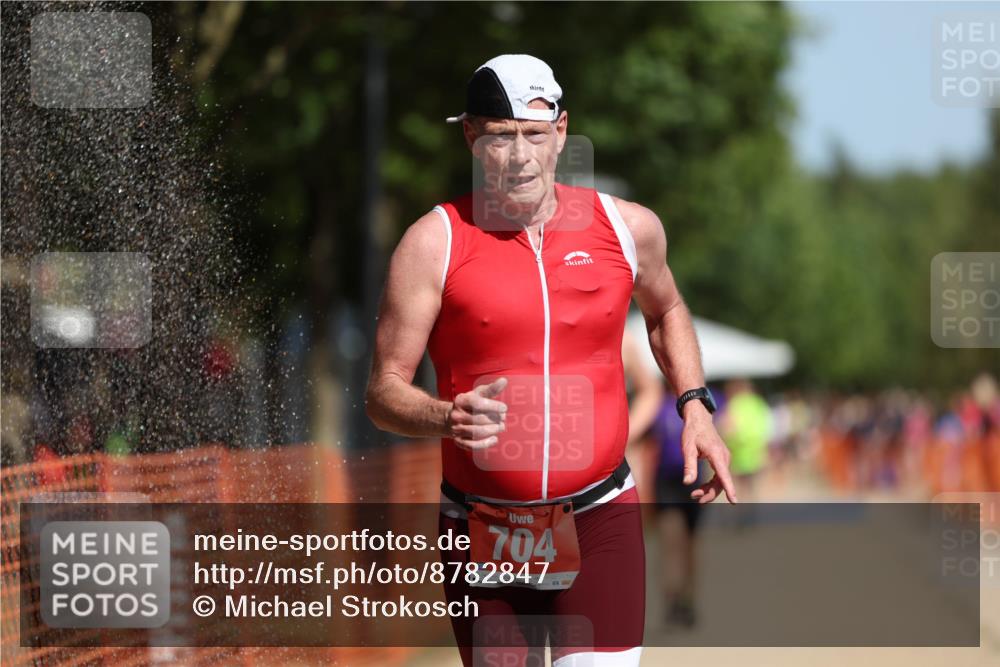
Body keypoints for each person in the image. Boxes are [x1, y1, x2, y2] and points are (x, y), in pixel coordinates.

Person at [366, 54, 736, 667]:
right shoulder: (434, 242)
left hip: (597, 516)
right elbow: (383, 393)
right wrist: (444, 416)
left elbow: (669, 311)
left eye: (534, 135)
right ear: (469, 136)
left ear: (561, 132)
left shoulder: (626, 229)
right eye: (498, 137)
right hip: (480, 528)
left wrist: (695, 405)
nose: (518, 156)